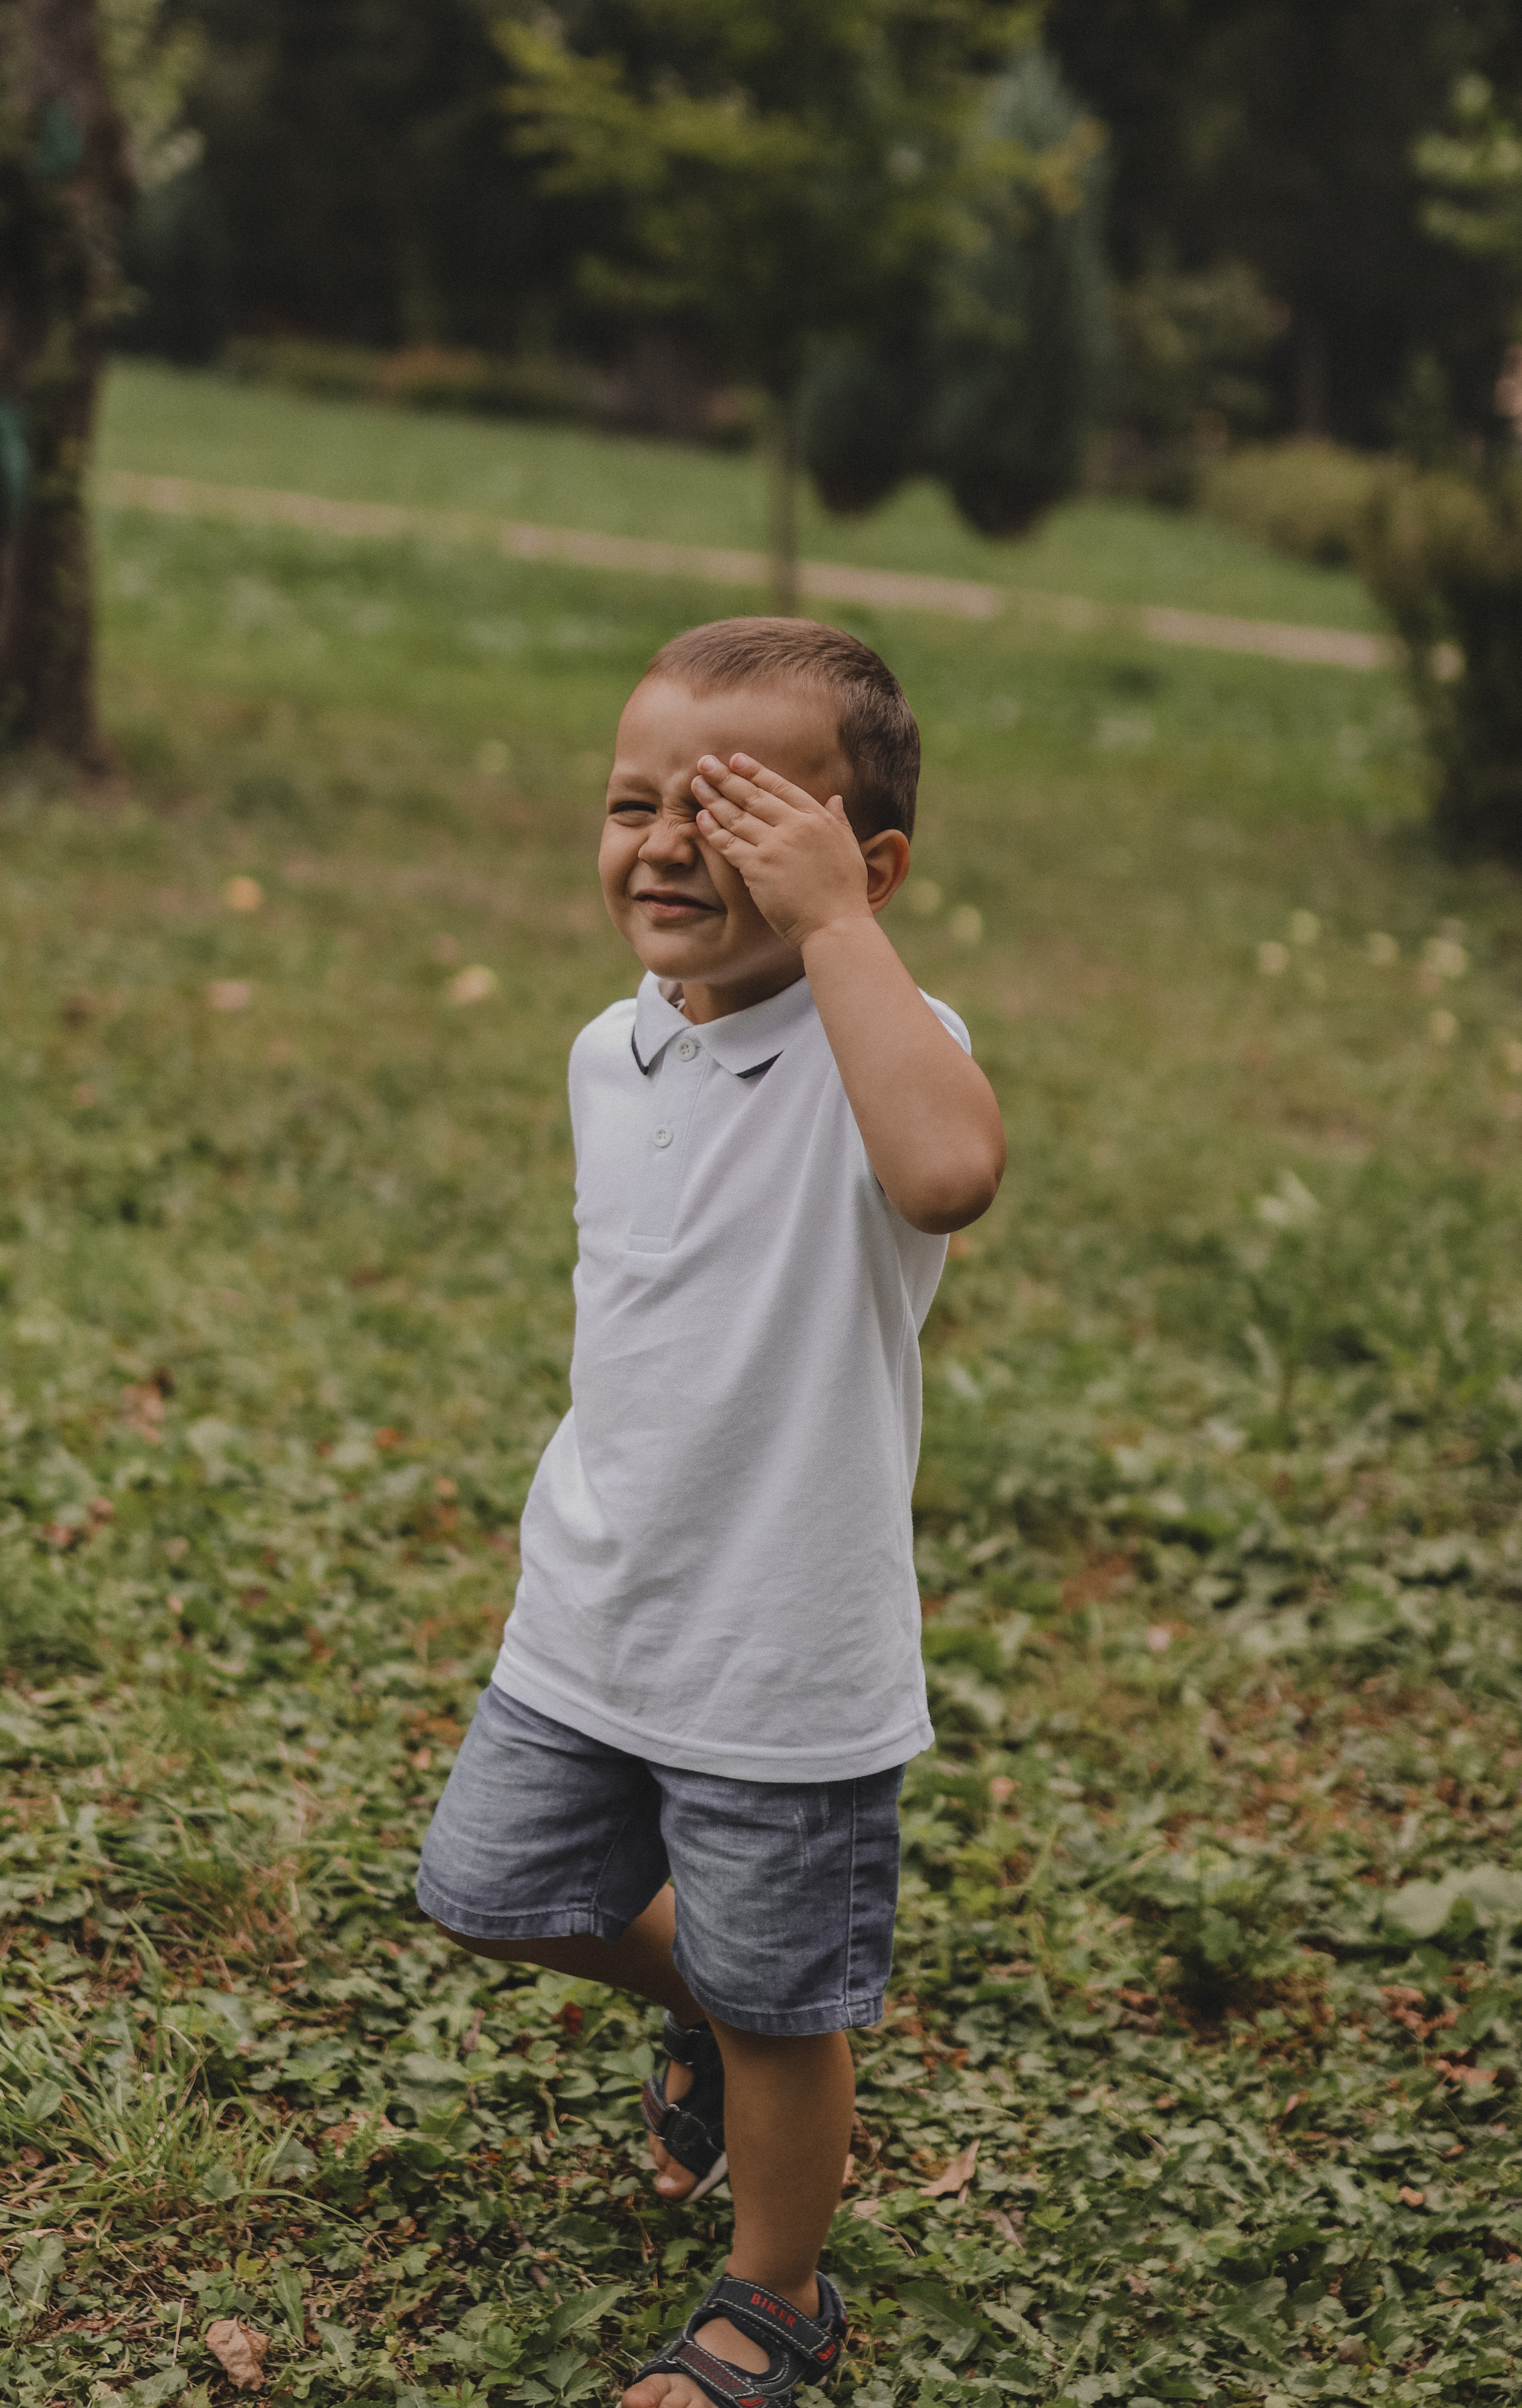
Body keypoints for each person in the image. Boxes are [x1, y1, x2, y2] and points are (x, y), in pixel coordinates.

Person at [416, 617, 1005, 2408]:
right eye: (634, 803)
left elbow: (952, 1171)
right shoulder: (616, 1049)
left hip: (785, 1642)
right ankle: (722, 2028)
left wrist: (838, 934)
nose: (667, 842)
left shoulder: (876, 1039)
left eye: (735, 811)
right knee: (490, 1889)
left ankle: (778, 2297)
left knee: (783, 2004)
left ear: (866, 862)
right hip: (598, 1601)